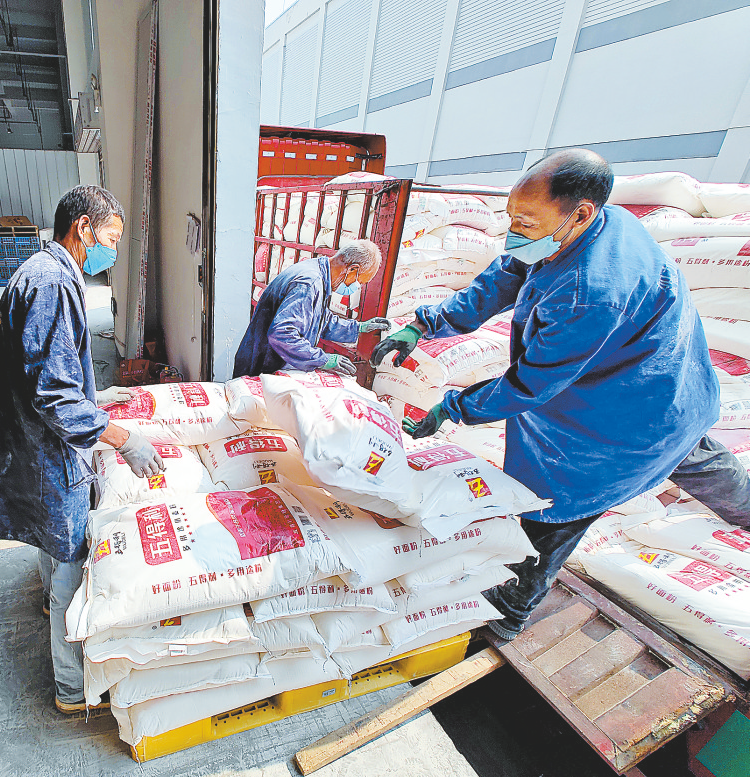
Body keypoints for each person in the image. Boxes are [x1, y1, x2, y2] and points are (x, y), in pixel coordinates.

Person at [372, 149, 750, 641]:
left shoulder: (589, 294)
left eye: (524, 222)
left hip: (618, 422)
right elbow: (508, 272)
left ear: (580, 213)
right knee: (696, 456)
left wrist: (455, 407)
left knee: (551, 510)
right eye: (512, 217)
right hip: (668, 393)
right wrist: (426, 323)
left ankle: (504, 618)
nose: (513, 231)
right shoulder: (594, 226)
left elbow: (531, 383)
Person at [0, 184, 165, 713]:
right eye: (111, 237)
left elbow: (43, 368)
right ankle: (70, 686)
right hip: (48, 449)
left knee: (50, 536)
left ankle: (47, 605)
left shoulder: (39, 271)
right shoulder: (54, 283)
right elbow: (55, 397)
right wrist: (125, 439)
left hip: (32, 442)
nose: (114, 250)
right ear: (84, 227)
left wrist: (94, 395)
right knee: (70, 562)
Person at [233, 240, 390, 378]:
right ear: (352, 269)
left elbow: (320, 320)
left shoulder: (318, 273)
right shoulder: (309, 283)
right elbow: (282, 334)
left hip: (266, 362)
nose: (355, 287)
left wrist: (359, 328)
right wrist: (322, 359)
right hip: (261, 368)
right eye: (359, 282)